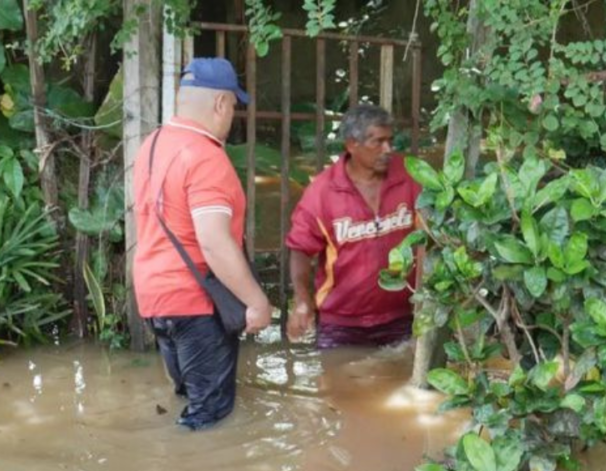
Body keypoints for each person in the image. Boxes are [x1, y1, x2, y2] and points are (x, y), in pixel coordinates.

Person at [132, 57, 272, 430]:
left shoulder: (151, 144)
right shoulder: (207, 158)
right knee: (208, 419)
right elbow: (213, 242)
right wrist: (257, 301)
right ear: (220, 104)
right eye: (233, 106)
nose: (232, 116)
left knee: (187, 396)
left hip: (153, 297)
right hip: (195, 303)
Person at [285, 104, 421, 348]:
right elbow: (300, 250)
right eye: (377, 142)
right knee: (338, 383)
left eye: (390, 141)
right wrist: (303, 301)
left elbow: (431, 237)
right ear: (351, 145)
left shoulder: (410, 176)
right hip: (340, 324)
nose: (387, 149)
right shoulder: (322, 192)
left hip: (402, 316)